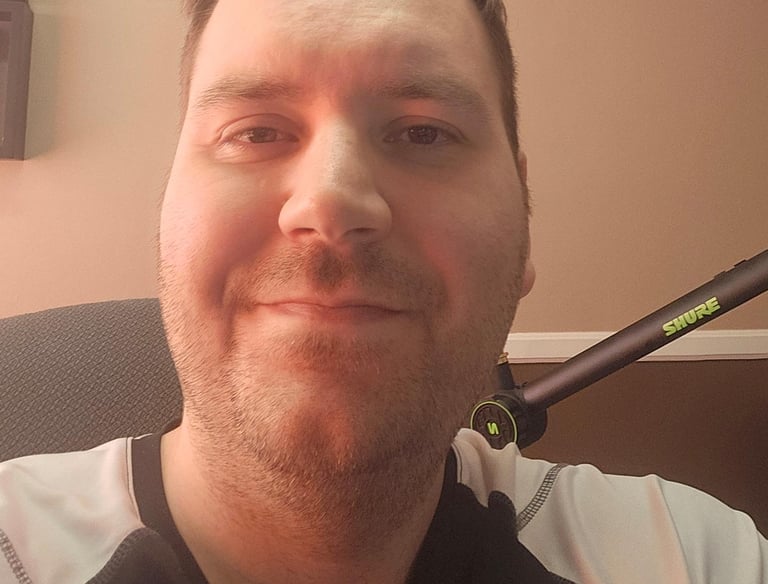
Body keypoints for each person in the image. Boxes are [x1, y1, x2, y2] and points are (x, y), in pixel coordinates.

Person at [0, 0, 765, 582]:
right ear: (167, 217)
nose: (331, 202)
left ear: (526, 224)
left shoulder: (692, 556)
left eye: (424, 131)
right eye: (256, 132)